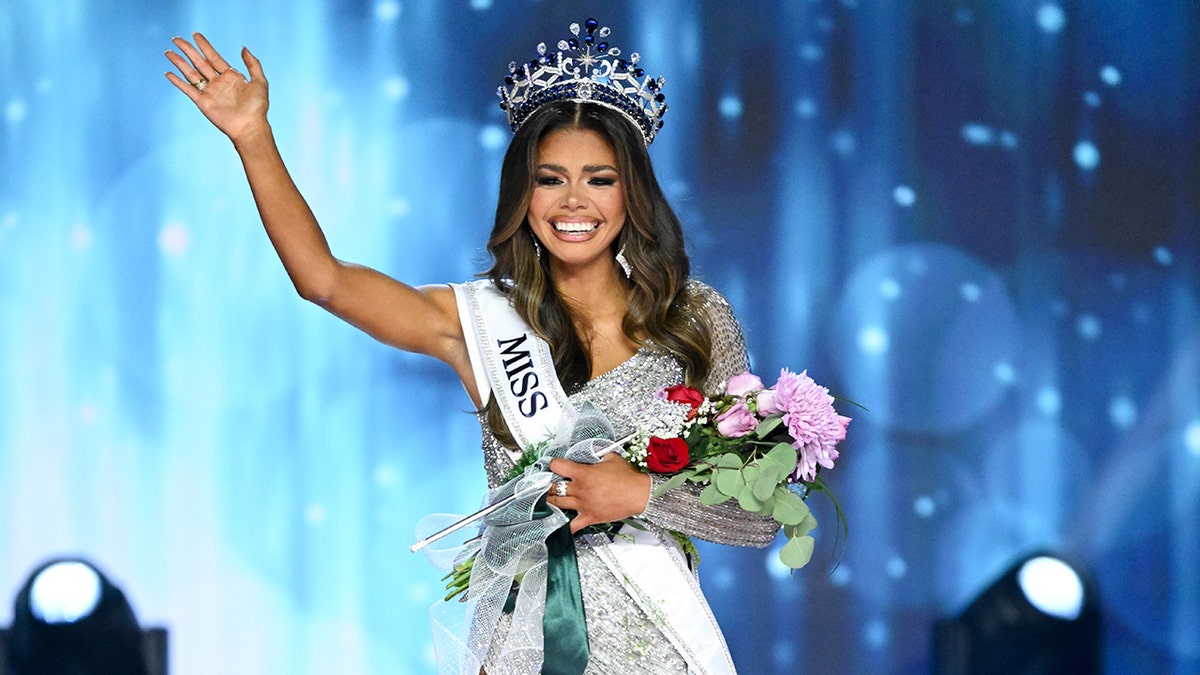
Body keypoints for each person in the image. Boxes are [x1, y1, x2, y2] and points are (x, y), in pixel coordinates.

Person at [165, 19, 778, 674]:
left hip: (659, 647)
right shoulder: (482, 320)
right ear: (524, 192)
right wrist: (253, 137)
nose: (574, 200)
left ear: (632, 192)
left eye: (599, 178)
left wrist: (640, 495)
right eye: (550, 179)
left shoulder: (694, 319)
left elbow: (760, 512)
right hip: (522, 647)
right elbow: (325, 280)